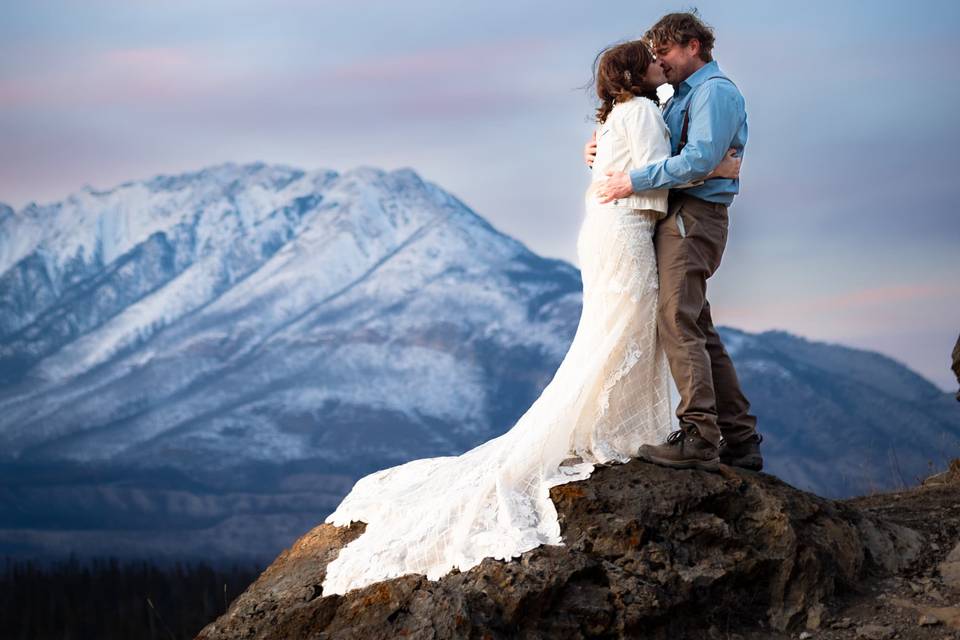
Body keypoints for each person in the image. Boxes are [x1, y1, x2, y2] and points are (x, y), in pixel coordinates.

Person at [319, 39, 740, 596]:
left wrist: (636, 159)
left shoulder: (636, 109)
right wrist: (719, 167)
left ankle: (641, 425)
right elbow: (659, 172)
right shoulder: (641, 111)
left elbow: (642, 161)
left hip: (618, 231)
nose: (660, 64)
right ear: (638, 73)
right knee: (633, 330)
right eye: (652, 59)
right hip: (629, 233)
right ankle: (637, 427)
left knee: (626, 331)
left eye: (665, 55)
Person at [587, 11, 762, 472]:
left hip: (693, 218)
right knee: (696, 326)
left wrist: (633, 180)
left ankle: (700, 436)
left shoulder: (714, 92)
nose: (659, 62)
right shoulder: (678, 97)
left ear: (692, 46)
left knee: (677, 320)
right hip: (681, 215)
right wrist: (604, 152)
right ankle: (740, 440)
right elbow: (681, 156)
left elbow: (698, 159)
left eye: (663, 51)